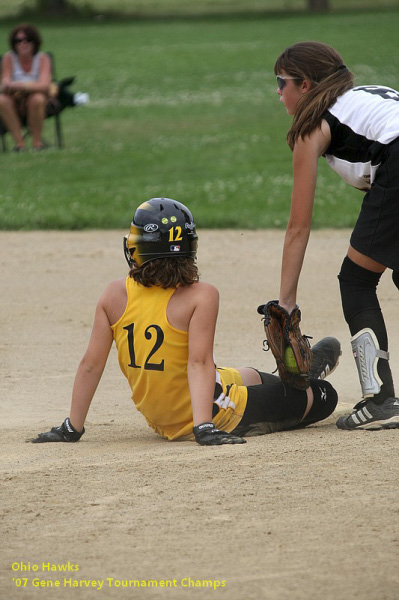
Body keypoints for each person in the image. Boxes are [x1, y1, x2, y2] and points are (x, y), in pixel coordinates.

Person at [30, 197, 339, 446]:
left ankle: (295, 377)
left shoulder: (113, 294)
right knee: (323, 396)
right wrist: (203, 427)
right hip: (210, 415)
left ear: (140, 248)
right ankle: (309, 379)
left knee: (250, 375)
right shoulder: (202, 295)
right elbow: (199, 363)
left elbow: (90, 365)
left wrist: (72, 426)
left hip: (162, 417)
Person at [273, 41, 399, 430]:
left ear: (306, 85)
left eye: (282, 82)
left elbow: (298, 227)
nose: (278, 92)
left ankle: (380, 400)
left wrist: (286, 303)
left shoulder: (312, 128)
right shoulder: (359, 98)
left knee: (357, 279)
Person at [0, 23, 51, 151]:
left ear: (35, 43)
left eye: (28, 40)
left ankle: (37, 143)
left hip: (37, 99)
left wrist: (20, 86)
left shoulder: (43, 59)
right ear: (14, 43)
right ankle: (20, 144)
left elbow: (45, 86)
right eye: (19, 40)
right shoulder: (8, 58)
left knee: (37, 99)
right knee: (2, 100)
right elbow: (5, 82)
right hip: (14, 99)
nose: (23, 44)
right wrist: (9, 85)